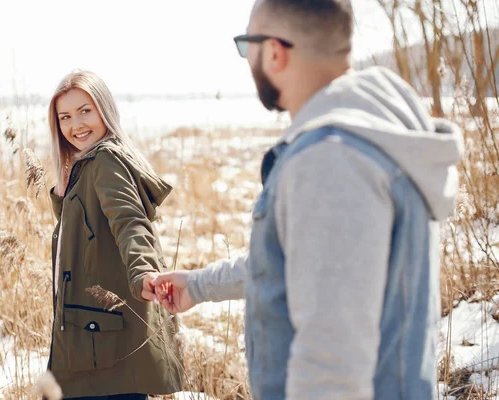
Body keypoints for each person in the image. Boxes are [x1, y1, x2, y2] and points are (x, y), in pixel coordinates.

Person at [152, 0, 464, 399]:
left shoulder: (331, 159)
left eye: (247, 46)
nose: (248, 61)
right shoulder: (373, 133)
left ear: (275, 52)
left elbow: (332, 360)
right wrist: (197, 286)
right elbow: (308, 265)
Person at [47, 70, 184, 400]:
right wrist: (63, 195)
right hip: (93, 335)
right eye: (65, 116)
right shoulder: (88, 164)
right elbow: (88, 231)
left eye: (85, 111)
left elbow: (129, 222)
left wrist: (144, 272)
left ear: (104, 109)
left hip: (103, 342)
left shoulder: (106, 160)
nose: (75, 125)